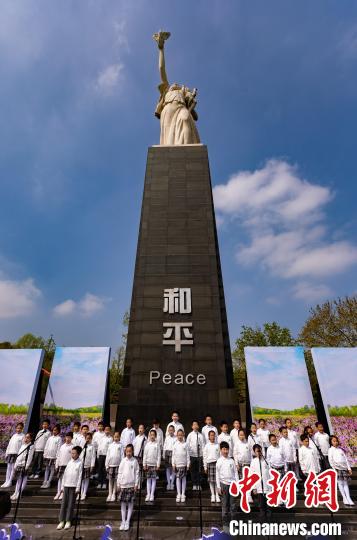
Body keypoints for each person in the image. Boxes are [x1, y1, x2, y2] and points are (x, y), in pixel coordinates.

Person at [56, 446, 83, 530]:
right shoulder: (69, 462)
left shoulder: (80, 463)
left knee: (71, 504)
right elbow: (65, 474)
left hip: (73, 486)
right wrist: (62, 486)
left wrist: (78, 488)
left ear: (78, 454)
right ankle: (61, 520)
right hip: (66, 485)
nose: (72, 454)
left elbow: (80, 476)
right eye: (72, 453)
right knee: (64, 504)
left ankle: (68, 520)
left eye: (74, 453)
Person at [216, 441, 238, 531]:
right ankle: (225, 524)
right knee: (225, 505)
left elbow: (235, 473)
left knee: (233, 505)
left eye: (227, 449)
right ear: (221, 450)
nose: (225, 451)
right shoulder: (219, 461)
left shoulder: (231, 460)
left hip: (232, 484)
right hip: (223, 484)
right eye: (223, 449)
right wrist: (218, 486)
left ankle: (234, 523)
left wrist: (237, 484)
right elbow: (217, 474)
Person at [117, 444, 140, 531]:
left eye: (130, 451)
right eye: (127, 451)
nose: (128, 453)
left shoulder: (135, 461)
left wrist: (136, 484)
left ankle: (128, 521)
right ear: (125, 452)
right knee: (123, 504)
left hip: (131, 485)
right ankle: (123, 521)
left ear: (132, 451)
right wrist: (118, 483)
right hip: (123, 485)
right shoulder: (123, 461)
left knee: (130, 504)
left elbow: (137, 473)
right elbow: (119, 472)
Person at [328, 435, 354, 506]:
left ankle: (349, 498)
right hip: (337, 469)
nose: (336, 442)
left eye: (336, 441)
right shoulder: (330, 450)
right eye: (334, 441)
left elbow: (345, 459)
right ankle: (344, 497)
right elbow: (330, 460)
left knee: (345, 483)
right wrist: (334, 469)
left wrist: (349, 468)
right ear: (331, 442)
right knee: (340, 483)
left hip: (344, 469)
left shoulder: (340, 450)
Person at [250, 444, 271, 520]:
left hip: (267, 486)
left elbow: (270, 473)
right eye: (257, 451)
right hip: (258, 487)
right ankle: (262, 520)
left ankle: (269, 520)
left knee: (268, 505)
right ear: (254, 452)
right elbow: (252, 475)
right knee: (261, 505)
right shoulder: (253, 462)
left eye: (260, 451)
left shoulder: (266, 461)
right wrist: (254, 487)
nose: (259, 452)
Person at [11, 433, 34, 501]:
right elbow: (19, 455)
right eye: (25, 437)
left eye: (28, 438)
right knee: (18, 479)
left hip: (24, 465)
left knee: (23, 479)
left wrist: (26, 466)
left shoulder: (31, 446)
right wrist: (15, 464)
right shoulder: (23, 445)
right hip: (19, 464)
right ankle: (15, 492)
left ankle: (19, 493)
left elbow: (29, 457)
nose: (26, 439)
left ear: (30, 439)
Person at [1, 422, 24, 488]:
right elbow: (9, 445)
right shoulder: (14, 435)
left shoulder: (23, 436)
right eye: (17, 428)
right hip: (10, 453)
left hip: (16, 454)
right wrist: (7, 453)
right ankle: (6, 480)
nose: (18, 429)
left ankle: (10, 481)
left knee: (13, 468)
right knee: (8, 467)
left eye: (20, 428)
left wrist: (20, 455)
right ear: (15, 428)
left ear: (22, 429)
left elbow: (22, 446)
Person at [172, 429, 190, 502]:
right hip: (177, 464)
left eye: (181, 435)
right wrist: (173, 464)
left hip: (184, 464)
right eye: (178, 435)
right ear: (177, 435)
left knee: (184, 479)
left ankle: (183, 494)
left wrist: (188, 464)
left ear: (183, 435)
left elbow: (188, 455)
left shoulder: (185, 444)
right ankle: (178, 494)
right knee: (178, 479)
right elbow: (173, 455)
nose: (180, 436)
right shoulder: (175, 444)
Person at [54, 432, 73, 500]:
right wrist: (57, 465)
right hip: (61, 465)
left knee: (65, 480)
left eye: (69, 437)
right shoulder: (62, 446)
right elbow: (58, 456)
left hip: (67, 465)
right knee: (60, 479)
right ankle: (58, 492)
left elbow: (72, 457)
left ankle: (62, 493)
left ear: (71, 438)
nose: (67, 439)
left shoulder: (72, 446)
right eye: (66, 437)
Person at [42, 424, 62, 488]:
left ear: (58, 431)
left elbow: (59, 449)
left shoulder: (59, 438)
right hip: (48, 456)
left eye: (56, 430)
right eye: (53, 430)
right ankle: (45, 481)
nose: (54, 431)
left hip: (54, 457)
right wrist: (45, 454)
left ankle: (49, 482)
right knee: (47, 469)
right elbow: (46, 446)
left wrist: (57, 457)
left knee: (52, 469)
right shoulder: (50, 438)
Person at [143, 429, 161, 502]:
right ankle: (148, 493)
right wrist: (144, 464)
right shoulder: (147, 444)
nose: (152, 436)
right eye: (151, 435)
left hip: (154, 465)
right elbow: (145, 455)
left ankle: (152, 494)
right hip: (148, 464)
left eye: (153, 435)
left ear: (155, 436)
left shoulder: (157, 444)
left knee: (153, 480)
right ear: (149, 436)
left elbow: (159, 455)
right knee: (148, 480)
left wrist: (158, 464)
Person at [186, 420, 204, 491]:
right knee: (193, 471)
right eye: (194, 425)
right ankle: (194, 484)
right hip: (192, 455)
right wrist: (189, 453)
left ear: (198, 426)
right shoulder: (190, 435)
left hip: (199, 455)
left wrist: (202, 455)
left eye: (196, 424)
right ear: (192, 426)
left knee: (199, 470)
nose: (195, 426)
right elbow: (187, 445)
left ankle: (199, 484)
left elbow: (203, 445)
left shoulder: (200, 435)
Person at [203, 429, 220, 503]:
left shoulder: (217, 445)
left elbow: (220, 456)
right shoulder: (207, 446)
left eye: (214, 435)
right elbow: (205, 456)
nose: (212, 437)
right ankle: (212, 494)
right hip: (209, 463)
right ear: (209, 437)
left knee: (216, 480)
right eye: (211, 435)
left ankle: (217, 494)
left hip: (216, 463)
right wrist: (205, 466)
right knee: (211, 481)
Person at [105, 431, 123, 502]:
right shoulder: (110, 445)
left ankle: (113, 494)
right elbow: (108, 455)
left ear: (119, 437)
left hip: (117, 465)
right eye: (115, 437)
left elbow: (122, 455)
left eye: (117, 437)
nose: (116, 438)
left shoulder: (121, 445)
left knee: (116, 480)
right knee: (110, 480)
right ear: (113, 437)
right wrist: (106, 465)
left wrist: (121, 465)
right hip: (110, 465)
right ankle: (109, 494)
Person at [80, 432, 96, 500]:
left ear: (91, 439)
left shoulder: (92, 447)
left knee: (86, 479)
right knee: (82, 480)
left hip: (88, 465)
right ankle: (80, 493)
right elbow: (80, 455)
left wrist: (92, 465)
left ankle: (84, 493)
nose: (88, 439)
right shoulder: (83, 446)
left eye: (89, 438)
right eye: (87, 438)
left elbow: (93, 456)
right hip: (81, 464)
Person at [97, 425, 113, 489]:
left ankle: (104, 483)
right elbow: (99, 447)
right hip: (101, 455)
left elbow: (111, 448)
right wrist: (98, 455)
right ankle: (99, 482)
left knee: (105, 469)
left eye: (108, 430)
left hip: (107, 456)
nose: (107, 431)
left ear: (110, 431)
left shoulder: (111, 439)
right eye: (106, 430)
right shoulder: (102, 438)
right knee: (100, 469)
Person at [163, 425, 176, 490]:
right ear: (168, 431)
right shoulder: (167, 438)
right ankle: (168, 483)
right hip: (167, 453)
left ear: (174, 431)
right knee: (168, 469)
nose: (171, 431)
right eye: (170, 430)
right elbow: (164, 446)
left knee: (173, 469)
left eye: (172, 430)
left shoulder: (176, 438)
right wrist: (163, 455)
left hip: (173, 453)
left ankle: (172, 483)